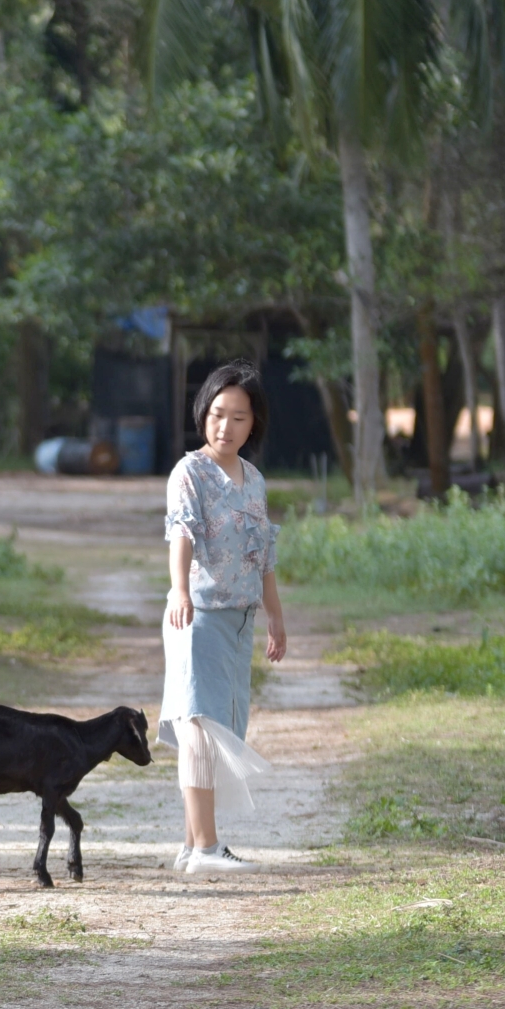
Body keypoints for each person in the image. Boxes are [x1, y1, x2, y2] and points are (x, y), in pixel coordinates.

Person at [159, 360, 286, 875]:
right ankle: (208, 848)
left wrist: (275, 616)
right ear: (202, 415)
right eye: (216, 414)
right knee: (198, 726)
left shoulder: (252, 479)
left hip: (239, 621)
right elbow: (181, 532)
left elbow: (265, 556)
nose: (225, 427)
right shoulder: (190, 472)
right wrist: (179, 587)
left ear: (254, 422)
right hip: (199, 615)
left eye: (238, 417)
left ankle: (194, 847)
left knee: (218, 729)